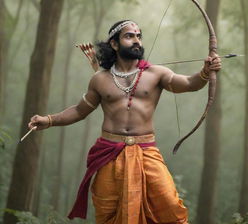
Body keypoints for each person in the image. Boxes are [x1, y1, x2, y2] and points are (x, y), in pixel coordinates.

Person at [28, 20, 221, 224]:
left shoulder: (157, 74)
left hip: (147, 153)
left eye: (139, 36)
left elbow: (190, 84)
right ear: (114, 44)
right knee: (108, 214)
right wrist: (48, 120)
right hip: (109, 154)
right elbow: (79, 111)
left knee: (170, 207)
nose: (136, 40)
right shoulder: (100, 79)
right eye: (129, 36)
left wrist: (205, 72)